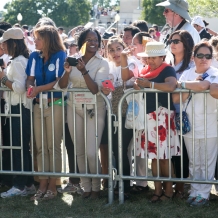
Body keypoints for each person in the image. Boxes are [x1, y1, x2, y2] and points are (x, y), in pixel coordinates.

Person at [57, 28, 109, 199]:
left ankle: (96, 186)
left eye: (96, 40)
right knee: (79, 150)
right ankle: (86, 187)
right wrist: (67, 71)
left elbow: (95, 89)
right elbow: (63, 86)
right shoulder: (73, 60)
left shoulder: (103, 63)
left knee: (91, 152)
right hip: (74, 107)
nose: (93, 43)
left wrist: (84, 70)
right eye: (89, 39)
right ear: (82, 43)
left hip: (94, 108)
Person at [173, 41, 218, 207]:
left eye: (208, 56)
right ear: (194, 57)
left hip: (210, 125)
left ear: (212, 58)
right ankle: (194, 191)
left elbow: (206, 86)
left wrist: (183, 86)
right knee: (194, 161)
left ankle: (204, 194)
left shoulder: (215, 73)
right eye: (200, 55)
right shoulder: (187, 73)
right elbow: (176, 98)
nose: (204, 59)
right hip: (190, 124)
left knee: (207, 161)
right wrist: (192, 86)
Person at [134, 41, 180, 202]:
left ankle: (168, 191)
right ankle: (157, 190)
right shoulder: (145, 71)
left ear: (162, 56)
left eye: (154, 57)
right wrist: (140, 86)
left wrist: (150, 84)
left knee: (164, 157)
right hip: (149, 116)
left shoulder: (168, 69)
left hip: (163, 116)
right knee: (153, 156)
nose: (151, 61)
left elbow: (171, 86)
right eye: (149, 57)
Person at [26, 25, 66, 201]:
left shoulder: (60, 55)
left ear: (48, 39)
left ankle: (52, 186)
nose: (35, 41)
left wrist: (38, 89)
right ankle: (42, 184)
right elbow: (30, 78)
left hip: (55, 103)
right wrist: (30, 87)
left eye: (38, 38)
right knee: (41, 147)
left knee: (53, 146)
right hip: (37, 105)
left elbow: (59, 82)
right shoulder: (34, 55)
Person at [100, 36, 138, 198]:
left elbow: (127, 80)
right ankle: (116, 183)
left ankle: (126, 186)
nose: (115, 53)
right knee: (115, 149)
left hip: (128, 112)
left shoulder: (132, 63)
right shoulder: (106, 67)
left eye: (118, 49)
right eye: (112, 50)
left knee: (122, 148)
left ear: (124, 49)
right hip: (111, 112)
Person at [0, 28, 35, 198]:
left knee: (18, 148)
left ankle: (20, 185)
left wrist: (3, 78)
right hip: (17, 108)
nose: (2, 46)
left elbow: (20, 88)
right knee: (21, 147)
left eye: (4, 43)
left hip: (19, 108)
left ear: (13, 43)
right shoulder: (19, 60)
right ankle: (27, 184)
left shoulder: (19, 62)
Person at [168, 30, 194, 198]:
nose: (173, 43)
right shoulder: (167, 63)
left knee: (184, 152)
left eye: (176, 41)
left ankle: (182, 187)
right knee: (172, 151)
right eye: (171, 40)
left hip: (186, 114)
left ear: (185, 44)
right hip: (168, 113)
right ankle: (172, 184)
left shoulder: (192, 65)